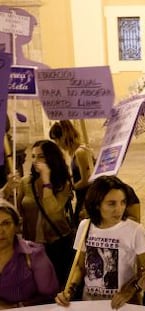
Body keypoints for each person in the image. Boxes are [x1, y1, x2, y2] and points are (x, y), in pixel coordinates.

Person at [55, 175, 145, 309]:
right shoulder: (85, 226)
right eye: (111, 203)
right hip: (90, 304)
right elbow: (80, 266)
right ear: (96, 205)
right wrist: (69, 291)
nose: (119, 209)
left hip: (124, 306)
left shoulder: (135, 230)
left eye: (123, 202)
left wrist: (131, 289)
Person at [16, 140, 74, 287]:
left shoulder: (62, 183)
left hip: (56, 242)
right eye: (33, 156)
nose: (36, 161)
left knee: (59, 284)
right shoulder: (26, 182)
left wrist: (47, 181)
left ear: (51, 157)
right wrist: (9, 189)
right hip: (33, 244)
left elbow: (52, 211)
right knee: (38, 285)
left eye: (41, 156)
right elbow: (19, 211)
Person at [0, 198, 59, 308]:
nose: (0, 231)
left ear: (17, 226)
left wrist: (15, 307)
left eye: (6, 223)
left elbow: (51, 298)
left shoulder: (34, 254)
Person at [49, 120, 95, 226]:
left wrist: (71, 188)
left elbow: (86, 180)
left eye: (56, 140)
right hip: (82, 196)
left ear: (63, 137)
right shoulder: (76, 152)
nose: (57, 144)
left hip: (86, 197)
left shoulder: (80, 152)